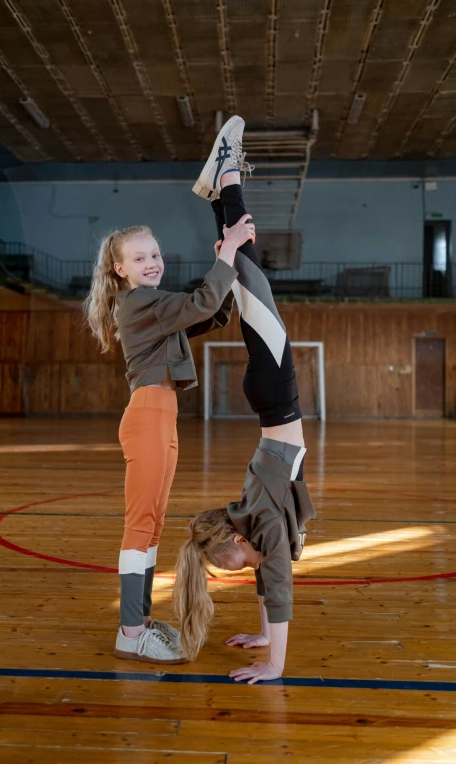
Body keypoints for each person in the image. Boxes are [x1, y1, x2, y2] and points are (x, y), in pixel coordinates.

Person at [84, 115, 255, 665]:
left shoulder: (153, 306)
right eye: (140, 258)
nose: (151, 262)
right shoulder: (137, 304)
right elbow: (202, 304)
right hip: (149, 416)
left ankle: (137, 623)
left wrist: (228, 273)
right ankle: (129, 632)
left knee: (152, 522)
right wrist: (226, 252)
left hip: (161, 415)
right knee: (141, 524)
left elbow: (206, 313)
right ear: (120, 270)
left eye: (155, 255)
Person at [174, 116, 316, 683]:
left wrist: (274, 664)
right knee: (245, 278)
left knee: (249, 272)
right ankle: (217, 188)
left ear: (239, 540)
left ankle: (227, 171)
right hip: (268, 401)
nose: (253, 567)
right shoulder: (248, 519)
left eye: (242, 560)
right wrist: (259, 635)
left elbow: (276, 585)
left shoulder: (266, 532)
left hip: (278, 398)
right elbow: (265, 580)